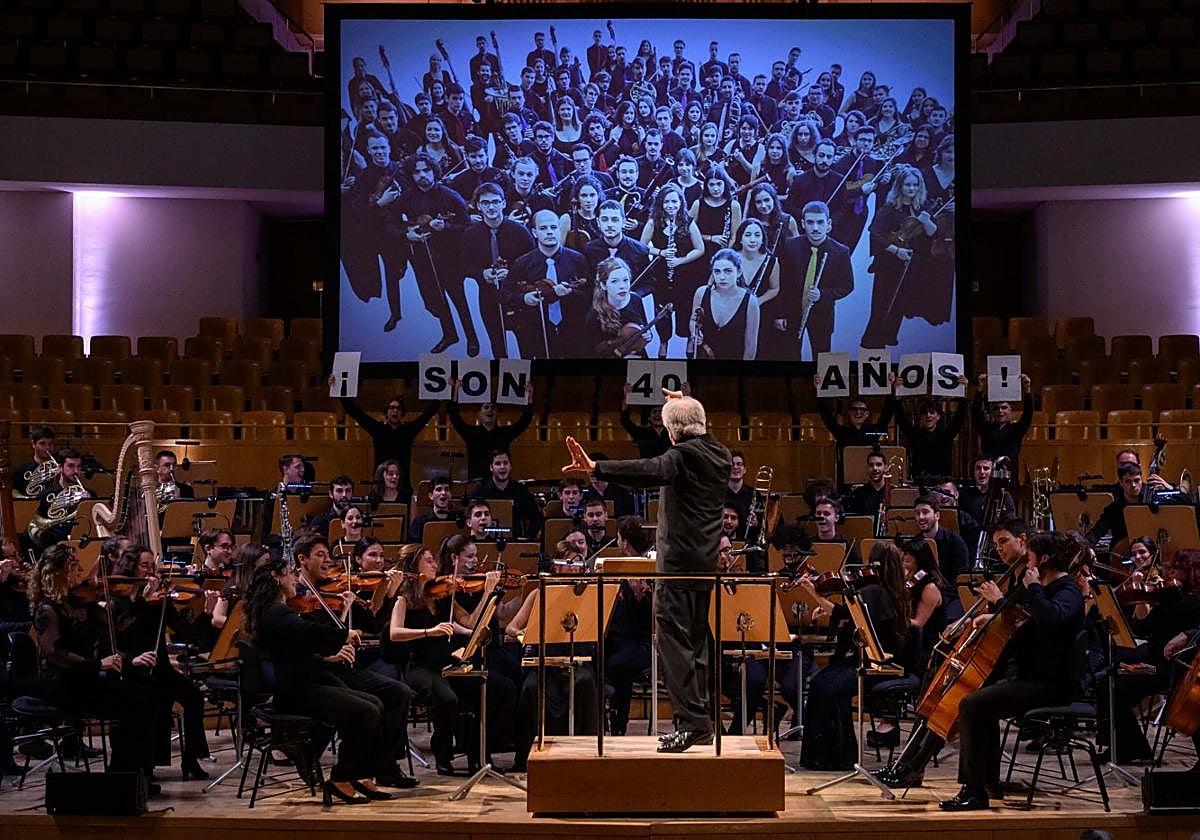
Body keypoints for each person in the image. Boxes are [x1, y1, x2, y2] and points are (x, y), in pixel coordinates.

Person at [562, 390, 731, 752]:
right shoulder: (720, 453)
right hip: (702, 566)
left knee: (673, 646)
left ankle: (691, 725)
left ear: (672, 433)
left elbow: (650, 470)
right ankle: (701, 723)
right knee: (696, 647)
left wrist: (596, 468)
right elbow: (697, 428)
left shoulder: (681, 456)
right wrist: (684, 404)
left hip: (676, 568)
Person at [939, 531, 1086, 810]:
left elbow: (1050, 618)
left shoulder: (1068, 591)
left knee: (970, 705)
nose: (1027, 564)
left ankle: (973, 791)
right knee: (981, 701)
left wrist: (1032, 589)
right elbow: (1031, 624)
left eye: (1029, 557)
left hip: (1052, 685)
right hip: (1032, 677)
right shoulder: (1046, 589)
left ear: (1043, 559)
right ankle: (986, 783)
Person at [29, 544, 162, 790]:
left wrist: (138, 598)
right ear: (58, 572)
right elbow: (55, 653)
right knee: (135, 704)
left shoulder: (82, 603)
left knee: (149, 697)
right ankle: (123, 778)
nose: (82, 571)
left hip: (87, 680)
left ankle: (133, 775)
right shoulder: (48, 608)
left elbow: (118, 627)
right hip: (64, 686)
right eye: (74, 567)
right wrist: (98, 664)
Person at [793, 541, 911, 769]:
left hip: (877, 665)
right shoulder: (887, 590)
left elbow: (842, 613)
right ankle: (828, 754)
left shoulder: (875, 591)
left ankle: (840, 756)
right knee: (820, 683)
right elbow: (851, 617)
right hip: (870, 660)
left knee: (828, 687)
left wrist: (814, 593)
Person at [110, 545, 212, 780]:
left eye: (152, 566)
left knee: (193, 696)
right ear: (131, 568)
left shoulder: (159, 600)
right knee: (158, 698)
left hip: (159, 667)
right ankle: (147, 764)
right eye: (144, 566)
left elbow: (184, 632)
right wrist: (143, 601)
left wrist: (204, 612)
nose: (150, 571)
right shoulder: (120, 601)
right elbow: (123, 635)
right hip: (132, 669)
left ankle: (191, 758)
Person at [394, 152, 473, 353]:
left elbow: (466, 226)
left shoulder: (450, 195)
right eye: (417, 171)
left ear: (434, 171)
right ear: (411, 175)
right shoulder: (407, 197)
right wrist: (406, 233)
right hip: (422, 258)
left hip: (450, 258)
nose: (422, 175)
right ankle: (450, 335)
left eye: (426, 170)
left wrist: (445, 227)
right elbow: (391, 222)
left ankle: (472, 338)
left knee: (460, 300)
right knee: (436, 300)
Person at [860, 163, 935, 348]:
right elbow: (875, 234)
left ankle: (888, 337)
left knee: (899, 303)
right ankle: (872, 342)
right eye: (907, 185)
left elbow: (932, 233)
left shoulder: (922, 208)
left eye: (915, 185)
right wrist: (896, 251)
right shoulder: (890, 208)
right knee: (882, 304)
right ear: (900, 186)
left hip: (911, 263)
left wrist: (927, 222)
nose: (911, 189)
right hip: (888, 264)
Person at [461, 181, 536, 358]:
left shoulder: (520, 231)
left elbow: (534, 263)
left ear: (503, 203)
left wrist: (512, 273)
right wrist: (481, 273)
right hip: (488, 296)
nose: (491, 207)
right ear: (478, 206)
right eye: (485, 203)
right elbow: (463, 267)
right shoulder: (470, 234)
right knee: (497, 343)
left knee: (526, 344)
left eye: (495, 201)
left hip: (517, 295)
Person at [503, 209, 589, 358]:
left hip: (572, 329)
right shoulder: (522, 263)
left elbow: (590, 295)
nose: (549, 232)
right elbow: (504, 294)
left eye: (553, 227)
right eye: (543, 228)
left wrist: (572, 292)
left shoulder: (578, 259)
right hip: (536, 331)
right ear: (535, 232)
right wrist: (523, 299)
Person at [776, 200, 853, 360]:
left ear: (829, 224)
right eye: (810, 222)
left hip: (822, 315)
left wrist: (823, 295)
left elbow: (847, 286)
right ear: (803, 224)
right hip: (792, 312)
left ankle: (820, 385)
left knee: (822, 357)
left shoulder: (840, 252)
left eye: (820, 222)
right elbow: (781, 282)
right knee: (790, 355)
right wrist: (780, 313)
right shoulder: (790, 246)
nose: (815, 228)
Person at [641, 184, 705, 355]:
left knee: (685, 310)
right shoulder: (653, 222)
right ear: (661, 203)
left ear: (680, 202)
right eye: (667, 202)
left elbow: (700, 248)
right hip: (661, 276)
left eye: (674, 201)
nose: (671, 205)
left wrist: (679, 261)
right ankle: (663, 342)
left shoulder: (687, 221)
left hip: (685, 275)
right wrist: (660, 252)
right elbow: (642, 246)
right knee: (662, 313)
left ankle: (689, 342)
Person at [338, 391, 439, 498]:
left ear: (402, 413)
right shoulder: (378, 429)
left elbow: (426, 416)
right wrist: (339, 392)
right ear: (386, 412)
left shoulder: (408, 431)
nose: (395, 411)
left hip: (402, 484)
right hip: (380, 483)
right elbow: (356, 414)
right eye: (391, 408)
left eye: (398, 408)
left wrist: (440, 399)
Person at [447, 385, 535, 481]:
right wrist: (455, 393)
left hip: (500, 482)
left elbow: (523, 423)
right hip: (477, 483)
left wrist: (530, 398)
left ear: (497, 414)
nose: (490, 410)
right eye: (486, 407)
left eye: (493, 407)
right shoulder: (471, 433)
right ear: (479, 414)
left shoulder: (504, 433)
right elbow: (455, 418)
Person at [690, 248, 760, 360]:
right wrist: (694, 333)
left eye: (728, 271)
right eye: (717, 271)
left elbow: (750, 345)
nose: (722, 277)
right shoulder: (701, 293)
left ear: (739, 272)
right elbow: (693, 320)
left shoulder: (750, 302)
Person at [817, 395, 896, 483]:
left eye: (862, 410)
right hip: (847, 480)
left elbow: (885, 417)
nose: (858, 412)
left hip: (869, 480)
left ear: (867, 414)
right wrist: (819, 394)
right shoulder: (842, 433)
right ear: (849, 412)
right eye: (854, 409)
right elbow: (827, 418)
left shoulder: (873, 432)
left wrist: (891, 391)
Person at [971, 373, 1035, 479]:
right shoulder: (986, 429)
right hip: (989, 477)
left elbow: (1028, 414)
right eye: (997, 408)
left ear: (1010, 411)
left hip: (1010, 478)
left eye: (1004, 408)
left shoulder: (1016, 430)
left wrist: (1027, 390)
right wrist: (980, 389)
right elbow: (975, 414)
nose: (1000, 411)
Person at [584, 257, 650, 358]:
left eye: (625, 280)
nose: (622, 286)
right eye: (615, 281)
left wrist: (647, 336)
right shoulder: (594, 316)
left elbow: (643, 327)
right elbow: (591, 353)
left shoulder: (636, 300)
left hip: (637, 355)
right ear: (603, 285)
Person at [475, 449, 544, 540]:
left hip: (514, 542)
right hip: (486, 541)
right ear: (491, 467)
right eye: (498, 464)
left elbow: (536, 518)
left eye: (505, 463)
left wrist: (527, 538)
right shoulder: (481, 491)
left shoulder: (521, 490)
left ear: (510, 466)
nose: (502, 467)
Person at [1087, 462, 1146, 548]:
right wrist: (1087, 546)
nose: (1133, 485)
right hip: (1120, 555)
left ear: (1142, 480)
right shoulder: (1114, 508)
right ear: (1121, 483)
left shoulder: (1150, 502)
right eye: (1128, 481)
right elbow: (1098, 531)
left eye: (1137, 480)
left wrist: (1169, 488)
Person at [914, 494, 970, 582]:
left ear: (937, 515)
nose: (920, 517)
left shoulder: (955, 542)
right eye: (917, 513)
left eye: (925, 512)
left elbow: (961, 577)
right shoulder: (915, 542)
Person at [408, 475, 455, 542]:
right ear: (431, 496)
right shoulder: (419, 521)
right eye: (439, 489)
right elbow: (414, 546)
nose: (443, 493)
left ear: (451, 495)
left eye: (446, 489)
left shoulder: (457, 519)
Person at [14, 424, 56, 497]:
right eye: (42, 443)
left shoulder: (60, 469)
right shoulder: (21, 469)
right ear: (33, 444)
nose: (47, 447)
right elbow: (13, 490)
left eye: (50, 444)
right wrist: (25, 498)